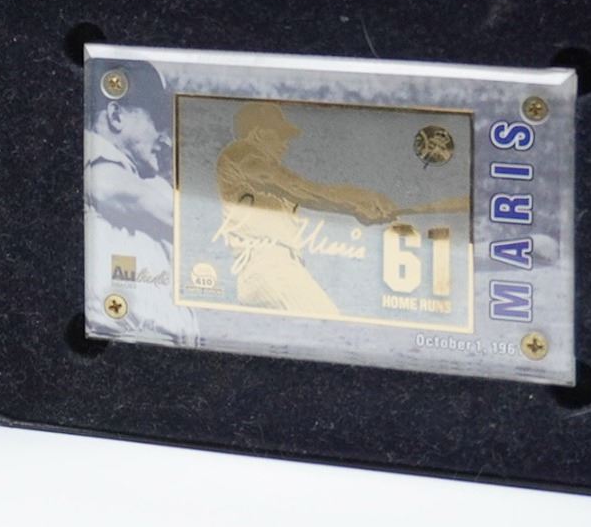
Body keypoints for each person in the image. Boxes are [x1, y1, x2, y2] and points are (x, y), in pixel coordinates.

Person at [210, 101, 396, 316]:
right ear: (258, 133)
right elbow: (301, 189)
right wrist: (361, 199)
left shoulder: (266, 178)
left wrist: (360, 208)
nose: (285, 144)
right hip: (270, 267)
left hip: (268, 270)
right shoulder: (240, 152)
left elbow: (310, 195)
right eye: (280, 135)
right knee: (329, 324)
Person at [84, 61, 188, 340]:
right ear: (116, 115)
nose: (166, 139)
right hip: (120, 343)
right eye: (158, 122)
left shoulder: (141, 180)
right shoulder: (95, 159)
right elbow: (111, 188)